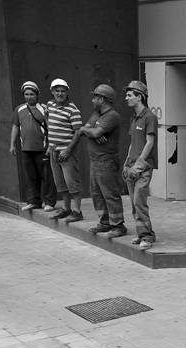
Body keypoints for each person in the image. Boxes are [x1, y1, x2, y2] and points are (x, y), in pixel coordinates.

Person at [74, 84, 127, 239]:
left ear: (102, 99)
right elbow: (86, 129)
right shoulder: (97, 114)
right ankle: (105, 222)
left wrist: (91, 132)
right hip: (95, 161)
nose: (92, 100)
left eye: (95, 97)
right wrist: (90, 132)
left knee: (110, 194)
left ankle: (118, 225)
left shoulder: (112, 116)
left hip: (106, 161)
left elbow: (92, 131)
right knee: (96, 193)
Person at [122, 80, 159, 250]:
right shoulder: (135, 117)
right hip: (131, 166)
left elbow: (149, 143)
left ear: (139, 97)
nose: (126, 98)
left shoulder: (149, 117)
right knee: (133, 202)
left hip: (143, 167)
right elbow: (132, 142)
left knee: (139, 200)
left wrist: (138, 165)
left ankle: (147, 237)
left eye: (129, 95)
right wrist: (126, 163)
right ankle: (142, 232)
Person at [10, 81, 55, 213]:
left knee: (46, 176)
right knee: (31, 177)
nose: (29, 97)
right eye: (26, 94)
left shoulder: (44, 109)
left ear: (37, 95)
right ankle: (34, 201)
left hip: (42, 148)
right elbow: (15, 127)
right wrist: (12, 144)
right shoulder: (19, 109)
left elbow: (50, 128)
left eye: (31, 94)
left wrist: (50, 145)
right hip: (26, 149)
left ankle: (49, 202)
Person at [46, 78, 84, 223]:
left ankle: (77, 211)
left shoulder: (73, 110)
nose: (60, 93)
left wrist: (68, 150)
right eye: (57, 90)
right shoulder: (49, 105)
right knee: (60, 183)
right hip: (54, 151)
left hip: (67, 153)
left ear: (67, 92)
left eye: (63, 91)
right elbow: (49, 121)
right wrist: (50, 145)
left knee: (72, 183)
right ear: (52, 92)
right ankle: (66, 209)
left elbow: (78, 132)